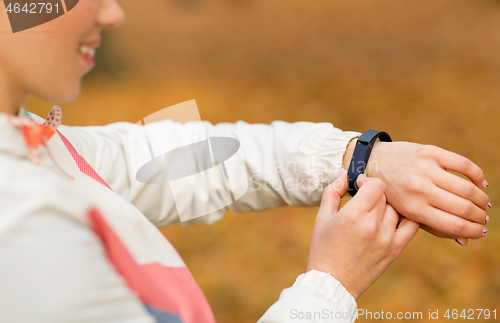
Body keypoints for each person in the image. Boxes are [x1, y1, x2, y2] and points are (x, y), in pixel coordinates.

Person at [0, 1, 491, 322]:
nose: (112, 13)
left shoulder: (35, 143)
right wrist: (331, 284)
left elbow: (173, 157)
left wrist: (361, 158)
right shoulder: (19, 220)